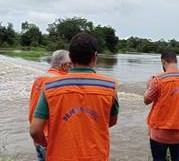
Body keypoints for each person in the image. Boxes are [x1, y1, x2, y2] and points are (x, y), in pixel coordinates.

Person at [30, 32, 119, 161]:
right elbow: (111, 121)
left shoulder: (50, 86)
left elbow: (35, 130)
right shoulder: (110, 86)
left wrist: (46, 144)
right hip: (96, 156)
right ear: (95, 56)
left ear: (70, 58)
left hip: (59, 156)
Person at [144, 50, 179, 161]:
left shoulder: (157, 80)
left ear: (163, 61)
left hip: (159, 132)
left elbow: (146, 100)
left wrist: (148, 85)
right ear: (176, 61)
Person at [29, 50, 71, 161]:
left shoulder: (39, 79)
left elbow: (33, 108)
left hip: (38, 134)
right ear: (65, 65)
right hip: (51, 138)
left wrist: (39, 138)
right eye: (71, 65)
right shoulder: (59, 82)